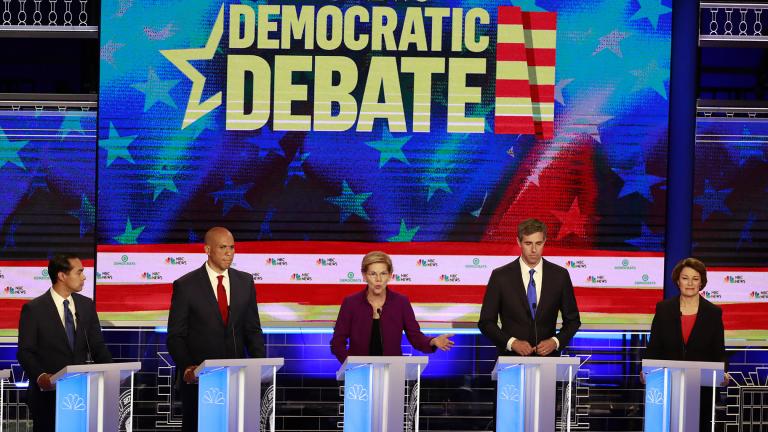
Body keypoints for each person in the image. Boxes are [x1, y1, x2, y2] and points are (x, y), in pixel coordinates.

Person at [167, 227, 266, 432]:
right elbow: (176, 335)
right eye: (222, 247)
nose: (229, 252)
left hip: (236, 378)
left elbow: (252, 330)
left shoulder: (245, 282)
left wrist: (259, 365)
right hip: (200, 381)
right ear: (207, 249)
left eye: (232, 247)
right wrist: (187, 367)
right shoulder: (186, 285)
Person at [17, 254, 113, 432]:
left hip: (82, 394)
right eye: (79, 272)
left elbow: (98, 346)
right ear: (62, 276)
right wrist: (40, 376)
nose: (84, 277)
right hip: (48, 398)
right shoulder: (33, 309)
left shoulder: (86, 305)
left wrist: (112, 373)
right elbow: (25, 352)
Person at [643, 257, 727, 431]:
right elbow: (654, 346)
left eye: (695, 279)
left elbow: (718, 350)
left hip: (701, 389)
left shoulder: (713, 313)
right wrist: (646, 371)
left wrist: (723, 373)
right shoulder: (664, 309)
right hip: (667, 385)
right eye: (685, 278)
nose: (690, 283)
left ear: (702, 283)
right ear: (677, 281)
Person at [478, 218, 581, 356]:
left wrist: (555, 342)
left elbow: (573, 320)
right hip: (511, 360)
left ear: (544, 242)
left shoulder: (559, 275)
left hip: (548, 361)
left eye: (538, 243)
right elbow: (486, 322)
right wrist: (512, 343)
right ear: (518, 242)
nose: (534, 249)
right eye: (528, 243)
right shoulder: (500, 276)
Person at [331, 251, 454, 363]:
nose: (378, 279)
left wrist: (433, 341)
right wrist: (350, 364)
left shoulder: (401, 302)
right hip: (358, 373)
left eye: (383, 273)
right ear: (364, 276)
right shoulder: (351, 303)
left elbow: (416, 337)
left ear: (390, 275)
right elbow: (337, 342)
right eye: (373, 274)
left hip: (393, 371)